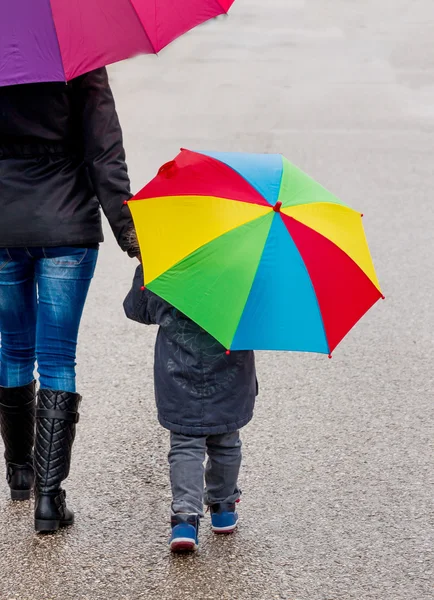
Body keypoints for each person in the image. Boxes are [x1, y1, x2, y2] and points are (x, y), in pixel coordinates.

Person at [0, 68, 138, 532]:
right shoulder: (77, 55)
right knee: (58, 358)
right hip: (66, 223)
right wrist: (129, 229)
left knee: (13, 347)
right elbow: (104, 150)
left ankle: (19, 470)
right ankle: (48, 498)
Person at [124, 264, 258, 552]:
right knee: (227, 440)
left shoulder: (165, 265)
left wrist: (145, 269)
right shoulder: (243, 269)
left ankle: (185, 519)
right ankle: (223, 507)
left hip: (177, 372)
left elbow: (137, 309)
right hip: (230, 372)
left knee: (186, 444)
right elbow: (261, 317)